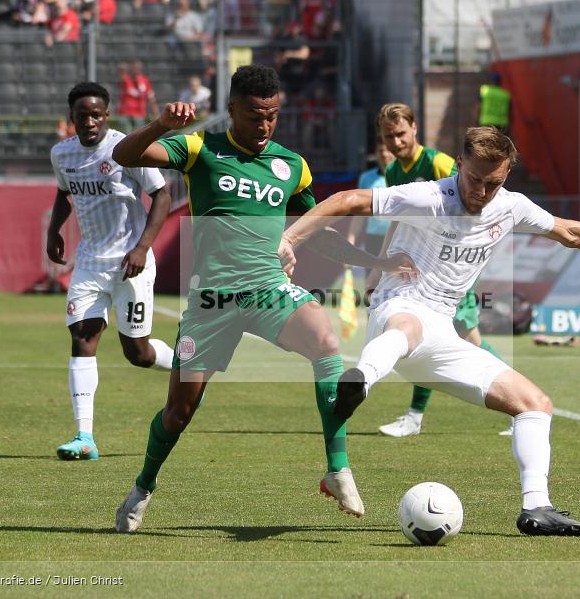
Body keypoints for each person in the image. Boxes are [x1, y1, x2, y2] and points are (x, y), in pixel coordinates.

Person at [281, 126, 580, 536]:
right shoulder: (428, 196)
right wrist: (289, 237)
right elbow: (346, 200)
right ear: (459, 165)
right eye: (475, 180)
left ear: (507, 175)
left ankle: (537, 508)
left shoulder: (511, 206)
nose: (482, 192)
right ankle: (358, 384)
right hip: (399, 310)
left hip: (442, 335)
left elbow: (568, 231)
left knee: (535, 404)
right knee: (410, 325)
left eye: (493, 184)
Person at [111, 65, 415, 532]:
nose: (264, 126)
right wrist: (161, 125)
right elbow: (125, 154)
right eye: (255, 115)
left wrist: (376, 262)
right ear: (231, 109)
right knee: (179, 412)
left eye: (272, 116)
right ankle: (142, 488)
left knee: (327, 343)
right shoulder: (199, 149)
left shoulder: (290, 166)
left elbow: (318, 231)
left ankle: (338, 469)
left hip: (268, 290)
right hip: (212, 303)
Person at [47, 82, 175, 461]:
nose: (90, 121)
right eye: (82, 115)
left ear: (108, 116)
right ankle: (84, 437)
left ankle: (189, 368)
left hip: (131, 264)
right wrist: (54, 229)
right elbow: (62, 193)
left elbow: (163, 195)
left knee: (137, 353)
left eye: (96, 114)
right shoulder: (62, 154)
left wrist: (142, 247)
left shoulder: (128, 150)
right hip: (90, 263)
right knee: (83, 337)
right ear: (72, 118)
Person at [373, 102, 510, 438]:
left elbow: (479, 201)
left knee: (467, 343)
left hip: (449, 275)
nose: (396, 142)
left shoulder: (438, 163)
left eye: (401, 133)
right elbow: (397, 221)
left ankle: (515, 402)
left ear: (415, 128)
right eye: (389, 136)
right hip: (420, 275)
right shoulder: (392, 173)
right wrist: (379, 264)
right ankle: (415, 416)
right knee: (423, 340)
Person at [475, 69, 511, 134]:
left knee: (485, 143)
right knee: (498, 144)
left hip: (486, 123)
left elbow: (478, 107)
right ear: (500, 82)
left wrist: (475, 122)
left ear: (491, 81)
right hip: (501, 125)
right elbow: (509, 113)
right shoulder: (505, 94)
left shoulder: (484, 90)